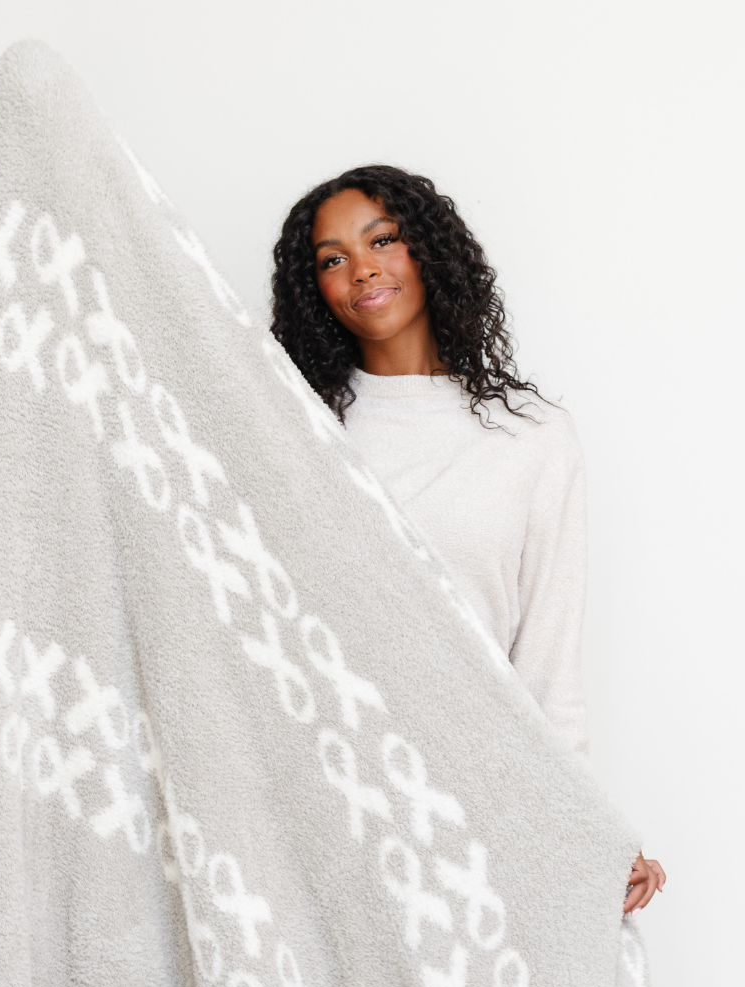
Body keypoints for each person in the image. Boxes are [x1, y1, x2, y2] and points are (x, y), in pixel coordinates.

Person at [270, 165, 665, 914]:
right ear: (313, 288)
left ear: (428, 251)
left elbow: (548, 666)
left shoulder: (533, 438)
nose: (362, 270)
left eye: (382, 240)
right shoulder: (294, 429)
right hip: (327, 790)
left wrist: (584, 833)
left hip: (482, 794)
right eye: (331, 258)